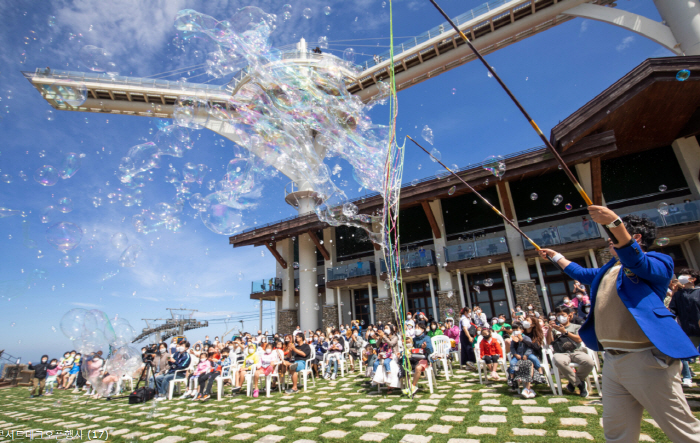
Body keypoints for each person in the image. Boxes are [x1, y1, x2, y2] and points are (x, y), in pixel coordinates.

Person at [540, 209, 700, 442]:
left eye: (613, 234)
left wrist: (614, 222)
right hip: (613, 361)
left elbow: (636, 260)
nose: (608, 240)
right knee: (616, 432)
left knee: (682, 430)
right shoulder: (608, 269)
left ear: (635, 239)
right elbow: (581, 272)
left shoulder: (658, 261)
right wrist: (555, 256)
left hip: (647, 359)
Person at [545, 306, 593, 397]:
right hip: (561, 352)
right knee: (559, 361)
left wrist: (565, 332)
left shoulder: (576, 327)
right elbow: (549, 342)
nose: (560, 317)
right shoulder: (555, 328)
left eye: (563, 315)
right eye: (558, 315)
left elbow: (579, 339)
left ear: (568, 315)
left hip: (576, 351)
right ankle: (580, 384)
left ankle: (573, 383)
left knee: (589, 362)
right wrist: (550, 330)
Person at [668, 267, 700, 387]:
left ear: (693, 279)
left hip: (698, 327)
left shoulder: (699, 292)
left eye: (685, 275)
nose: (681, 277)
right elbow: (673, 310)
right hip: (687, 329)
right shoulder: (678, 295)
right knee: (684, 354)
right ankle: (687, 377)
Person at [408, 322, 434, 395]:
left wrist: (425, 347)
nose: (416, 329)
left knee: (418, 368)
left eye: (418, 328)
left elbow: (431, 351)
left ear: (422, 330)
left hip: (424, 358)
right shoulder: (414, 339)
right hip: (415, 358)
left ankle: (413, 386)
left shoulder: (427, 338)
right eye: (415, 328)